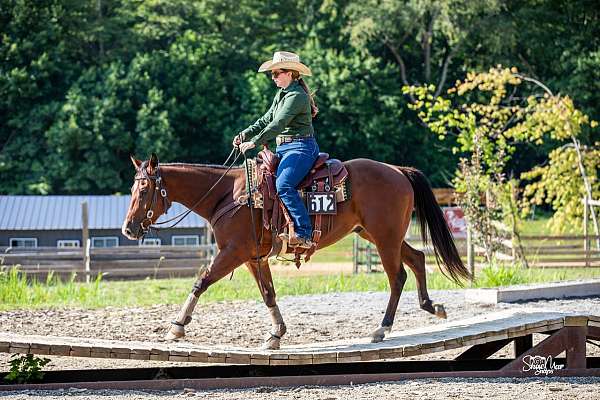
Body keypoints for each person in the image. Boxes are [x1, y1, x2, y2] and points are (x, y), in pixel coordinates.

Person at [233, 51, 319, 249]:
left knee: (284, 185)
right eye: (272, 74)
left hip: (301, 148)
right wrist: (244, 134)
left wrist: (254, 142)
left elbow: (278, 123)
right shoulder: (282, 94)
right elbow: (266, 119)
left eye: (276, 73)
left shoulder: (297, 96)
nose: (273, 77)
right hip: (284, 148)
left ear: (290, 73)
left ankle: (304, 232)